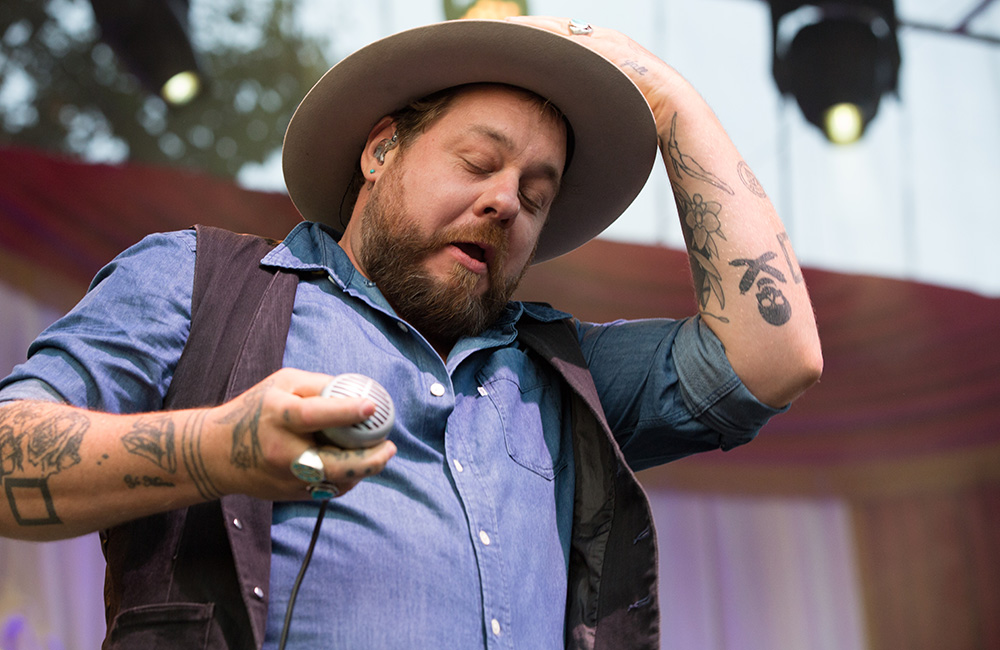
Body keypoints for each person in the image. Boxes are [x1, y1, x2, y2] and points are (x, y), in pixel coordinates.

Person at [0, 16, 822, 650]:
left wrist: (667, 97)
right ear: (381, 149)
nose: (507, 201)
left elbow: (774, 358)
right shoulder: (194, 281)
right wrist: (218, 450)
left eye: (536, 196)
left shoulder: (562, 374)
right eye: (477, 163)